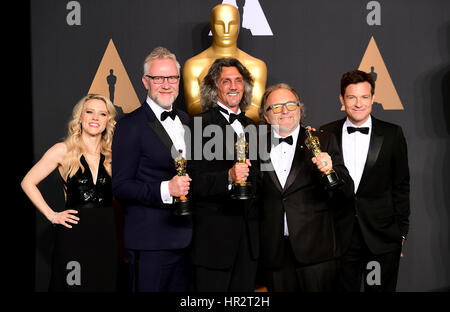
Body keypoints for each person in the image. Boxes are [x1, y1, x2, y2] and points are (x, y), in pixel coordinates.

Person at [320, 69, 410, 292]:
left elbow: (401, 185)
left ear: (373, 98)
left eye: (364, 97)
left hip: (380, 240)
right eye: (351, 97)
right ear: (342, 99)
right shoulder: (325, 133)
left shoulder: (392, 134)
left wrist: (401, 232)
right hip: (340, 239)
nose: (358, 103)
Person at [258, 83, 354, 292]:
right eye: (276, 107)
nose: (285, 111)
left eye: (291, 105)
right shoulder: (254, 146)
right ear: (266, 116)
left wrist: (331, 171)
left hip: (316, 253)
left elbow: (346, 191)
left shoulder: (322, 140)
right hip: (274, 254)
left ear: (299, 110)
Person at [112, 47, 192, 292]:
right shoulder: (130, 125)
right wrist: (166, 189)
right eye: (159, 78)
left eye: (172, 78)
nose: (166, 84)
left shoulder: (186, 120)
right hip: (150, 243)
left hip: (185, 239)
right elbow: (121, 187)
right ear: (145, 81)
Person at [21, 94, 118, 291]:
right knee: (72, 286)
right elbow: (28, 182)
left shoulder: (114, 154)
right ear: (80, 117)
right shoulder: (62, 150)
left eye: (102, 114)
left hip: (106, 234)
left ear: (108, 120)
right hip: (74, 236)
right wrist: (52, 215)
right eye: (89, 112)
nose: (95, 118)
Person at [188, 57, 260, 292]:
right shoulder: (198, 125)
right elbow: (194, 182)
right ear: (214, 87)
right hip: (214, 242)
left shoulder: (253, 126)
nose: (233, 86)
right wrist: (228, 176)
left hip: (249, 243)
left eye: (238, 80)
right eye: (226, 81)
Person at [183, 3, 267, 122]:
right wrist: (227, 111)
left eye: (232, 24)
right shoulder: (193, 66)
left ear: (238, 26)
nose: (226, 30)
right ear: (212, 26)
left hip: (246, 134)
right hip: (206, 135)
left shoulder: (257, 66)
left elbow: (256, 110)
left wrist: (227, 111)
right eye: (219, 24)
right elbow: (193, 108)